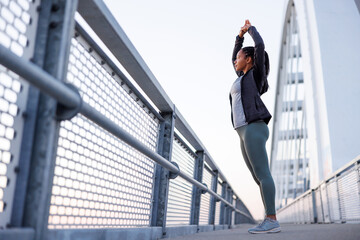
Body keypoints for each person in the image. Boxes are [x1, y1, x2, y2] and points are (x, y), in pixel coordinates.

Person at [229, 19, 281, 234]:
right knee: (256, 176)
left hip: (254, 128)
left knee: (262, 173)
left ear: (249, 60)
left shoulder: (255, 75)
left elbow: (259, 46)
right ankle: (268, 219)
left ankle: (271, 219)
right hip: (242, 131)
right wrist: (238, 38)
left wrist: (250, 30)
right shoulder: (241, 78)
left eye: (240, 58)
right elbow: (233, 57)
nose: (235, 61)